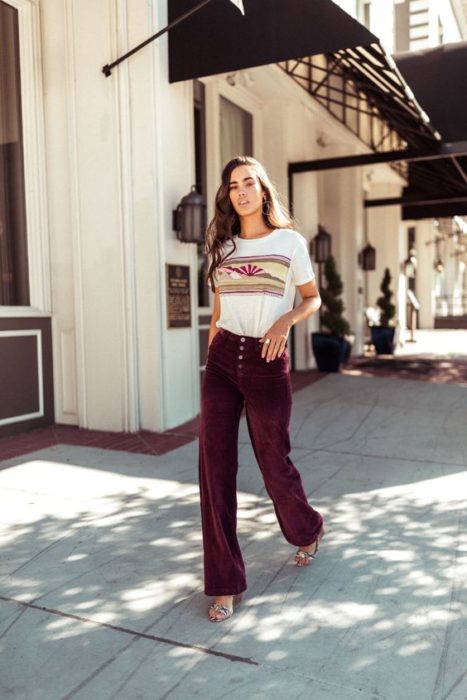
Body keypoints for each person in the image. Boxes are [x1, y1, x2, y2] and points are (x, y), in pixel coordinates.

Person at [199, 156, 324, 623]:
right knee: (215, 470)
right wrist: (211, 360)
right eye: (233, 185)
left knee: (274, 461)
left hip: (267, 360)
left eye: (249, 182)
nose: (242, 191)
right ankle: (224, 582)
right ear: (228, 196)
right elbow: (217, 313)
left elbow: (311, 297)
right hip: (223, 360)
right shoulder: (224, 247)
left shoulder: (290, 242)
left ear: (264, 190)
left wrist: (285, 320)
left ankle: (307, 527)